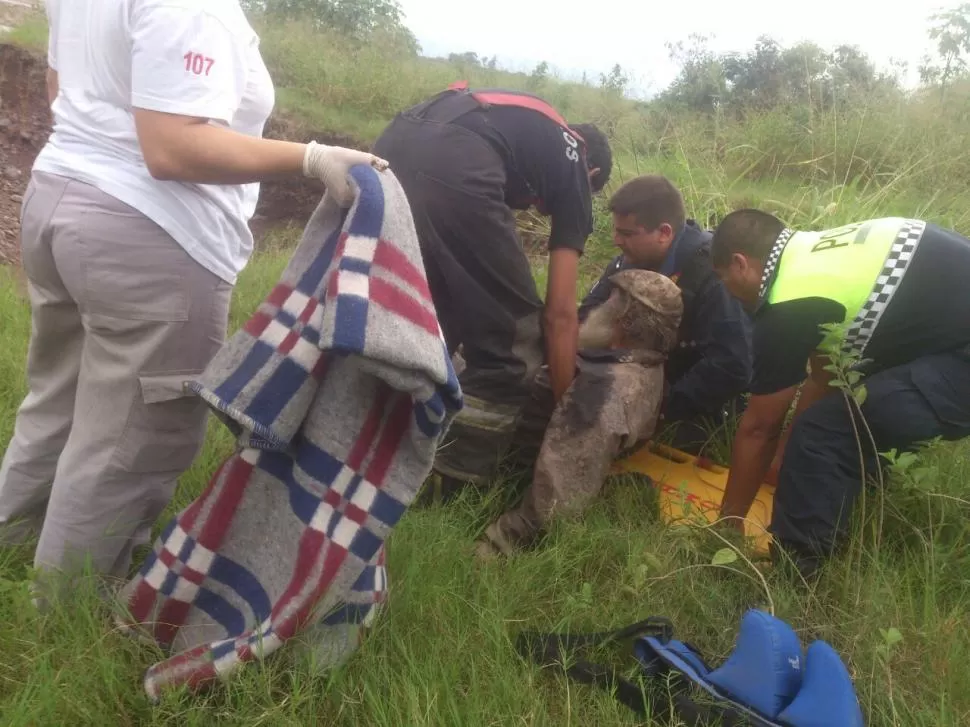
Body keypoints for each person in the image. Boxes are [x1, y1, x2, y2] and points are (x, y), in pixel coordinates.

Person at [0, 0, 388, 591]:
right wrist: (312, 159)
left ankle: (11, 542)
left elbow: (63, 83)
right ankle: (64, 605)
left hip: (59, 197)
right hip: (147, 235)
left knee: (58, 397)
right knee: (132, 436)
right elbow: (172, 148)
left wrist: (96, 147)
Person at [371, 82, 613, 495]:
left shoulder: (527, 127)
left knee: (424, 312)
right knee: (513, 346)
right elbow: (558, 314)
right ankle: (452, 483)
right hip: (457, 161)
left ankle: (375, 439)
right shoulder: (575, 163)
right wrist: (562, 407)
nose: (541, 209)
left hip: (391, 148)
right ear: (590, 175)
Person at [711, 210, 970, 577]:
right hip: (949, 340)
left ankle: (797, 574)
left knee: (825, 434)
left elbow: (759, 428)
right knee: (851, 415)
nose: (727, 293)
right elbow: (823, 378)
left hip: (960, 361)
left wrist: (726, 526)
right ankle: (849, 513)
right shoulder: (816, 256)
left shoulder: (788, 302)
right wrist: (781, 465)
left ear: (740, 264)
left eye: (723, 280)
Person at [477, 269, 684, 556]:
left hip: (495, 450)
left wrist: (502, 544)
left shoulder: (604, 390)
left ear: (623, 319)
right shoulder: (646, 365)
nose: (600, 307)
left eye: (611, 300)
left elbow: (561, 487)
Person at [578, 175, 752, 454]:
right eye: (616, 231)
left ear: (664, 232)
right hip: (640, 376)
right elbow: (587, 314)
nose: (615, 240)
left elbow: (732, 363)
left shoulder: (711, 275)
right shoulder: (627, 261)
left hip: (694, 399)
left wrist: (660, 406)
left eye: (626, 234)